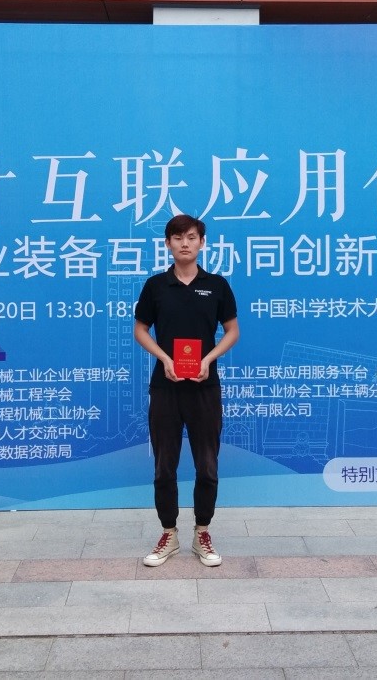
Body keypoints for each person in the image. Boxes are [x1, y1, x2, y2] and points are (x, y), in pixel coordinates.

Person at [134, 214, 239, 567]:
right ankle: (169, 533)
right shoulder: (155, 286)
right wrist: (164, 358)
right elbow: (140, 330)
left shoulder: (217, 285)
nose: (184, 243)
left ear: (202, 243)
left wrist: (208, 359)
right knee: (164, 467)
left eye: (191, 237)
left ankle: (202, 532)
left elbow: (232, 331)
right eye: (177, 238)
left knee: (207, 466)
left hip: (204, 388)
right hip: (166, 387)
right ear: (167, 243)